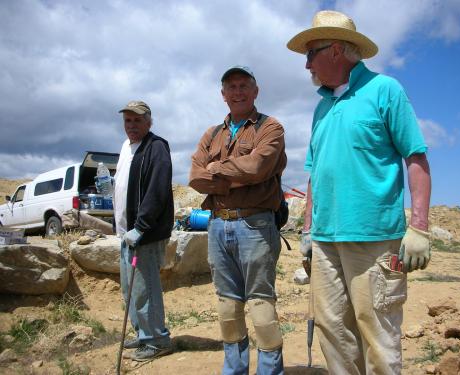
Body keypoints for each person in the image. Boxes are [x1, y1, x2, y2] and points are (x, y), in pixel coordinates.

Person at [287, 10, 432, 374]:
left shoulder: (385, 90)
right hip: (324, 242)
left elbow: (415, 157)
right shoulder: (322, 107)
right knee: (333, 333)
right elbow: (313, 176)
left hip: (374, 240)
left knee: (378, 336)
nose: (306, 65)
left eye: (310, 54)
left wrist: (419, 227)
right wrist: (307, 232)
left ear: (335, 50)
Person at [189, 66, 287, 375]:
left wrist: (216, 170)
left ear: (255, 91)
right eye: (231, 87)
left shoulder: (271, 127)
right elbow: (194, 176)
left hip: (256, 225)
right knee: (228, 307)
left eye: (244, 85)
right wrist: (236, 176)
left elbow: (258, 166)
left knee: (261, 307)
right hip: (217, 224)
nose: (238, 91)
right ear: (223, 95)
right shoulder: (212, 133)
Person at [114, 100, 174, 362]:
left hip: (144, 234)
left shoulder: (156, 147)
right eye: (128, 120)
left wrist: (141, 227)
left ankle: (157, 340)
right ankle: (143, 334)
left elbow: (157, 190)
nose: (132, 125)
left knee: (144, 288)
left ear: (149, 122)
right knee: (129, 287)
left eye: (137, 120)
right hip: (126, 234)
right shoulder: (126, 148)